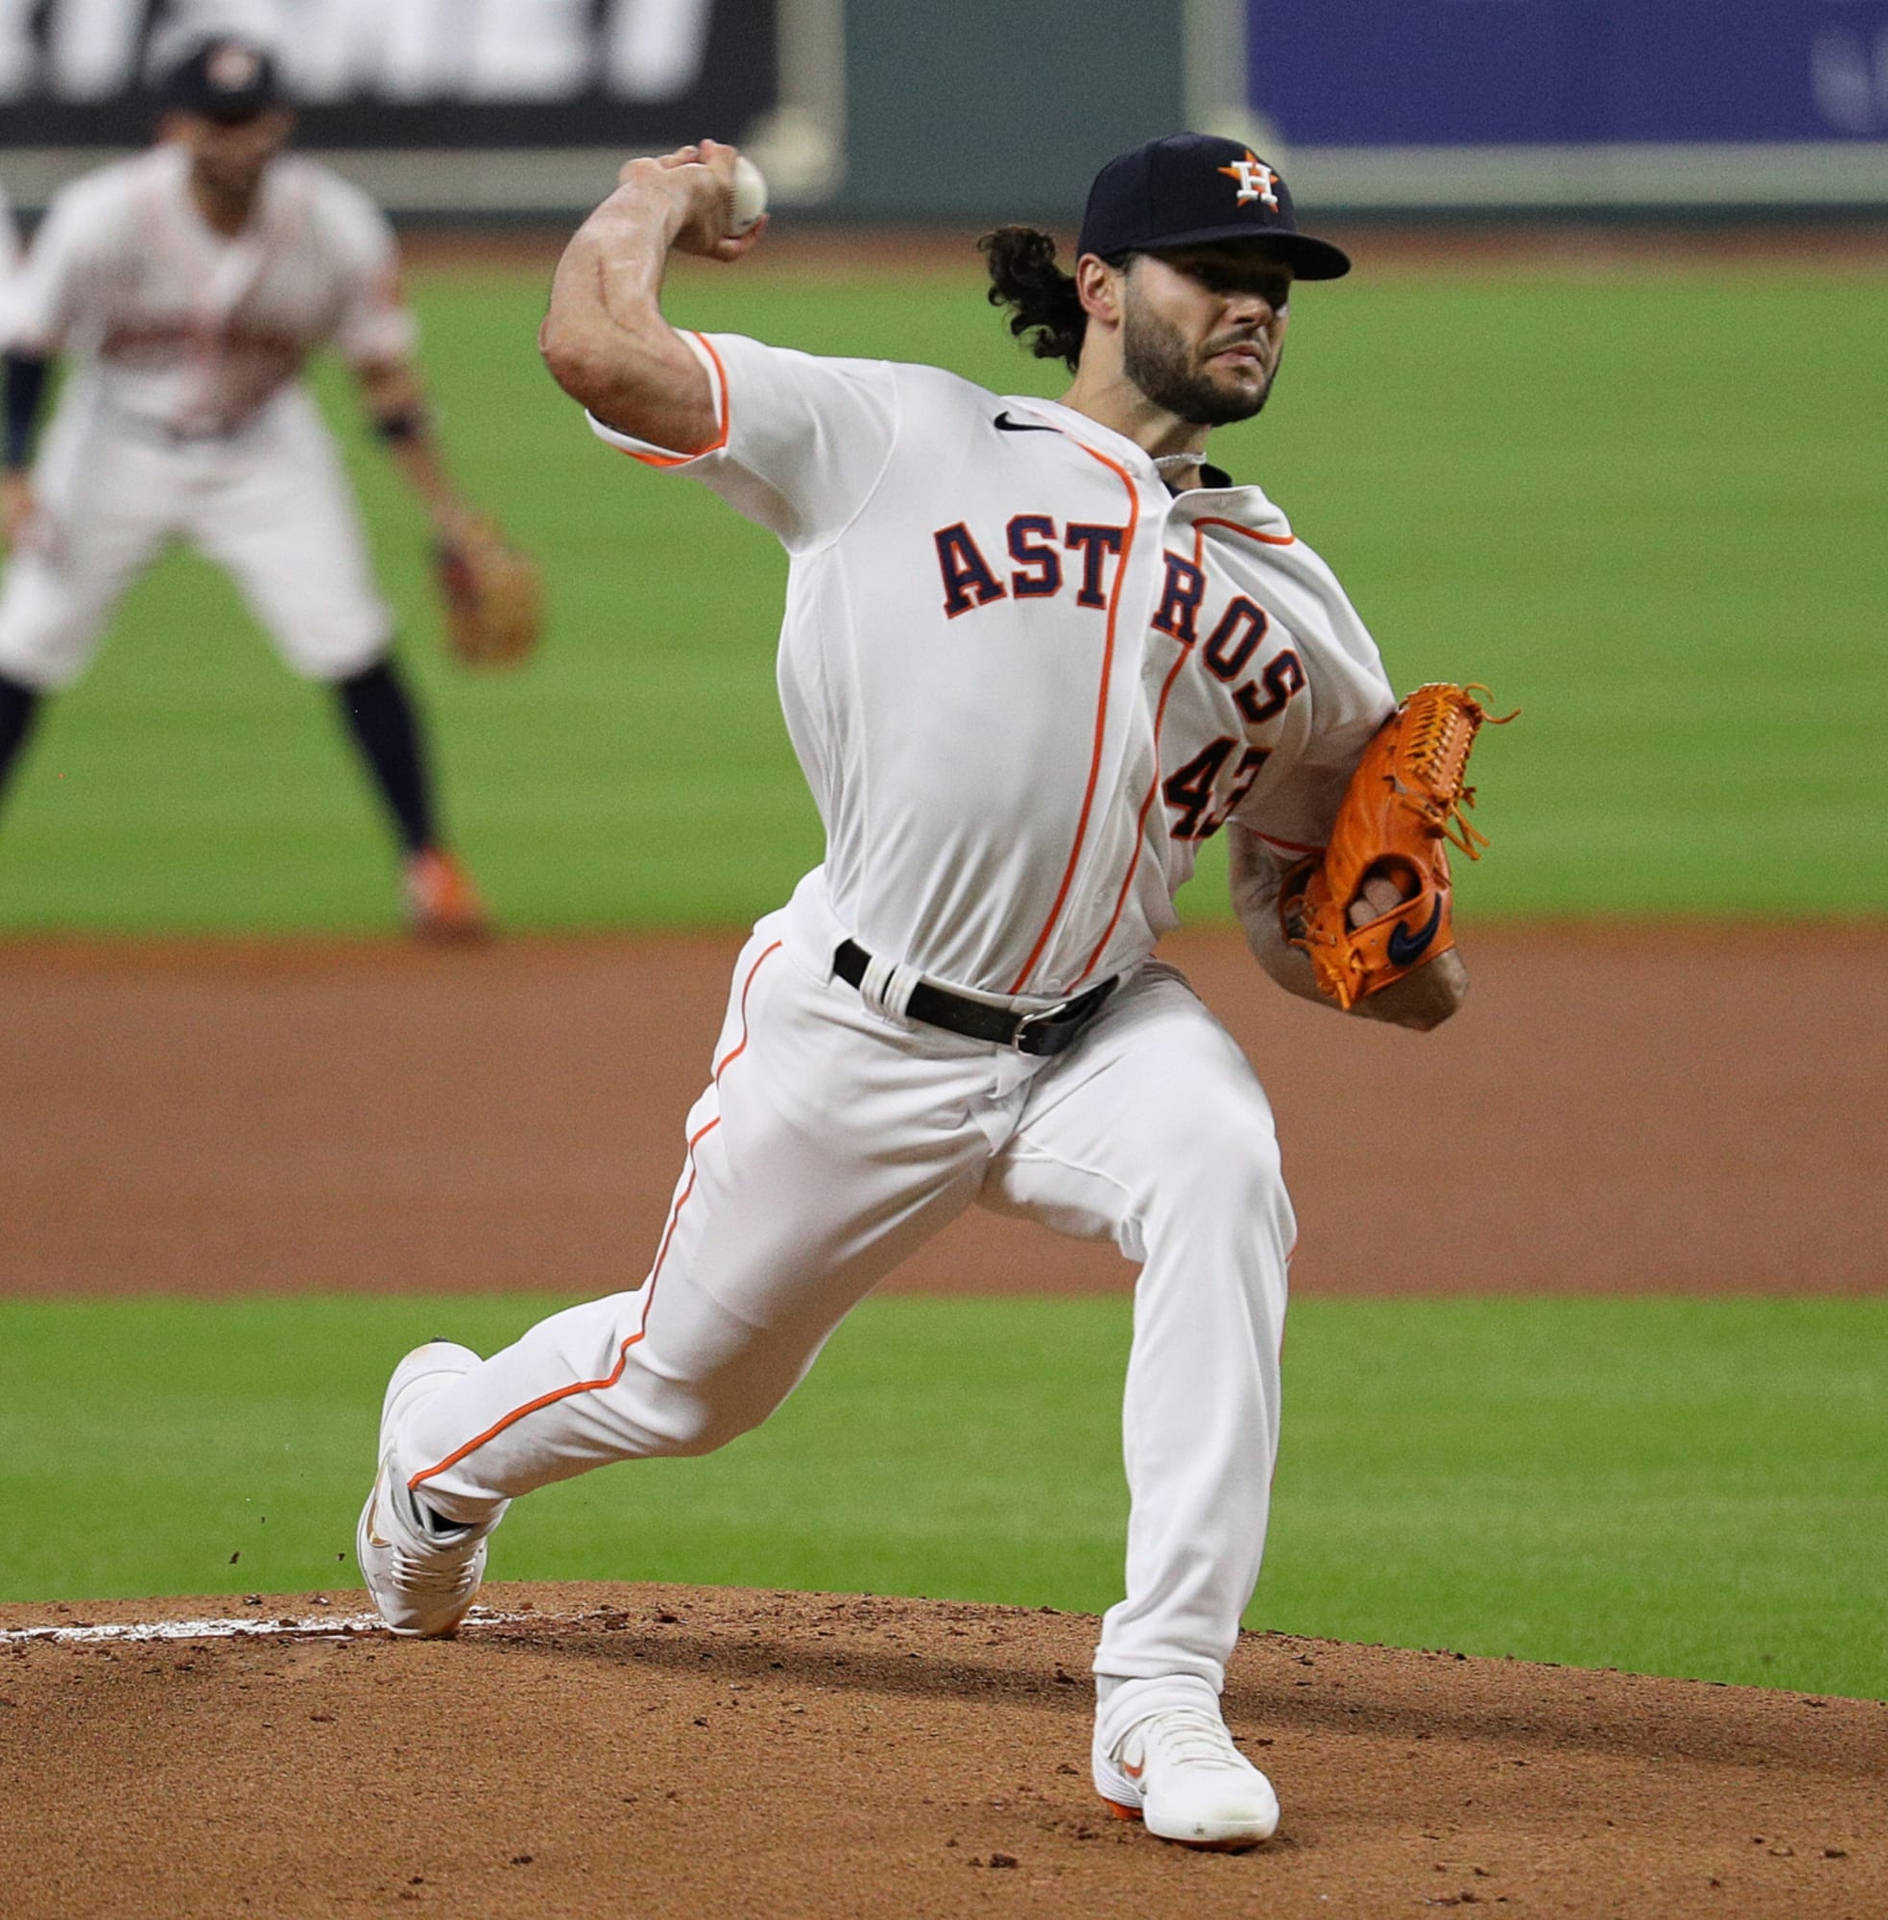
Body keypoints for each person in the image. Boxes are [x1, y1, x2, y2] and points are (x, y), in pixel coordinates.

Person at [356, 132, 1467, 1850]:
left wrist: (1401, 964)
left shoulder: (1297, 615)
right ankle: (437, 1453)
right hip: (859, 1029)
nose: (1251, 306)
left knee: (1221, 1167)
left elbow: (1288, 916)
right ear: (1098, 287)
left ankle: (1160, 1698)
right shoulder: (899, 434)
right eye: (1211, 271)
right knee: (684, 1390)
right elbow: (596, 348)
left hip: (1104, 1027)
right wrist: (660, 196)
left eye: (1273, 285)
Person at [0, 36, 488, 936]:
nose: (237, 140)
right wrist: (15, 471)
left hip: (266, 446)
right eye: (217, 121)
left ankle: (432, 867)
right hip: (114, 444)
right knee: (25, 647)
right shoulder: (100, 215)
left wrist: (446, 512)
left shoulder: (337, 225)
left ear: (281, 122)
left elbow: (383, 377)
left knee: (354, 642)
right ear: (175, 126)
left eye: (252, 119)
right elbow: (30, 344)